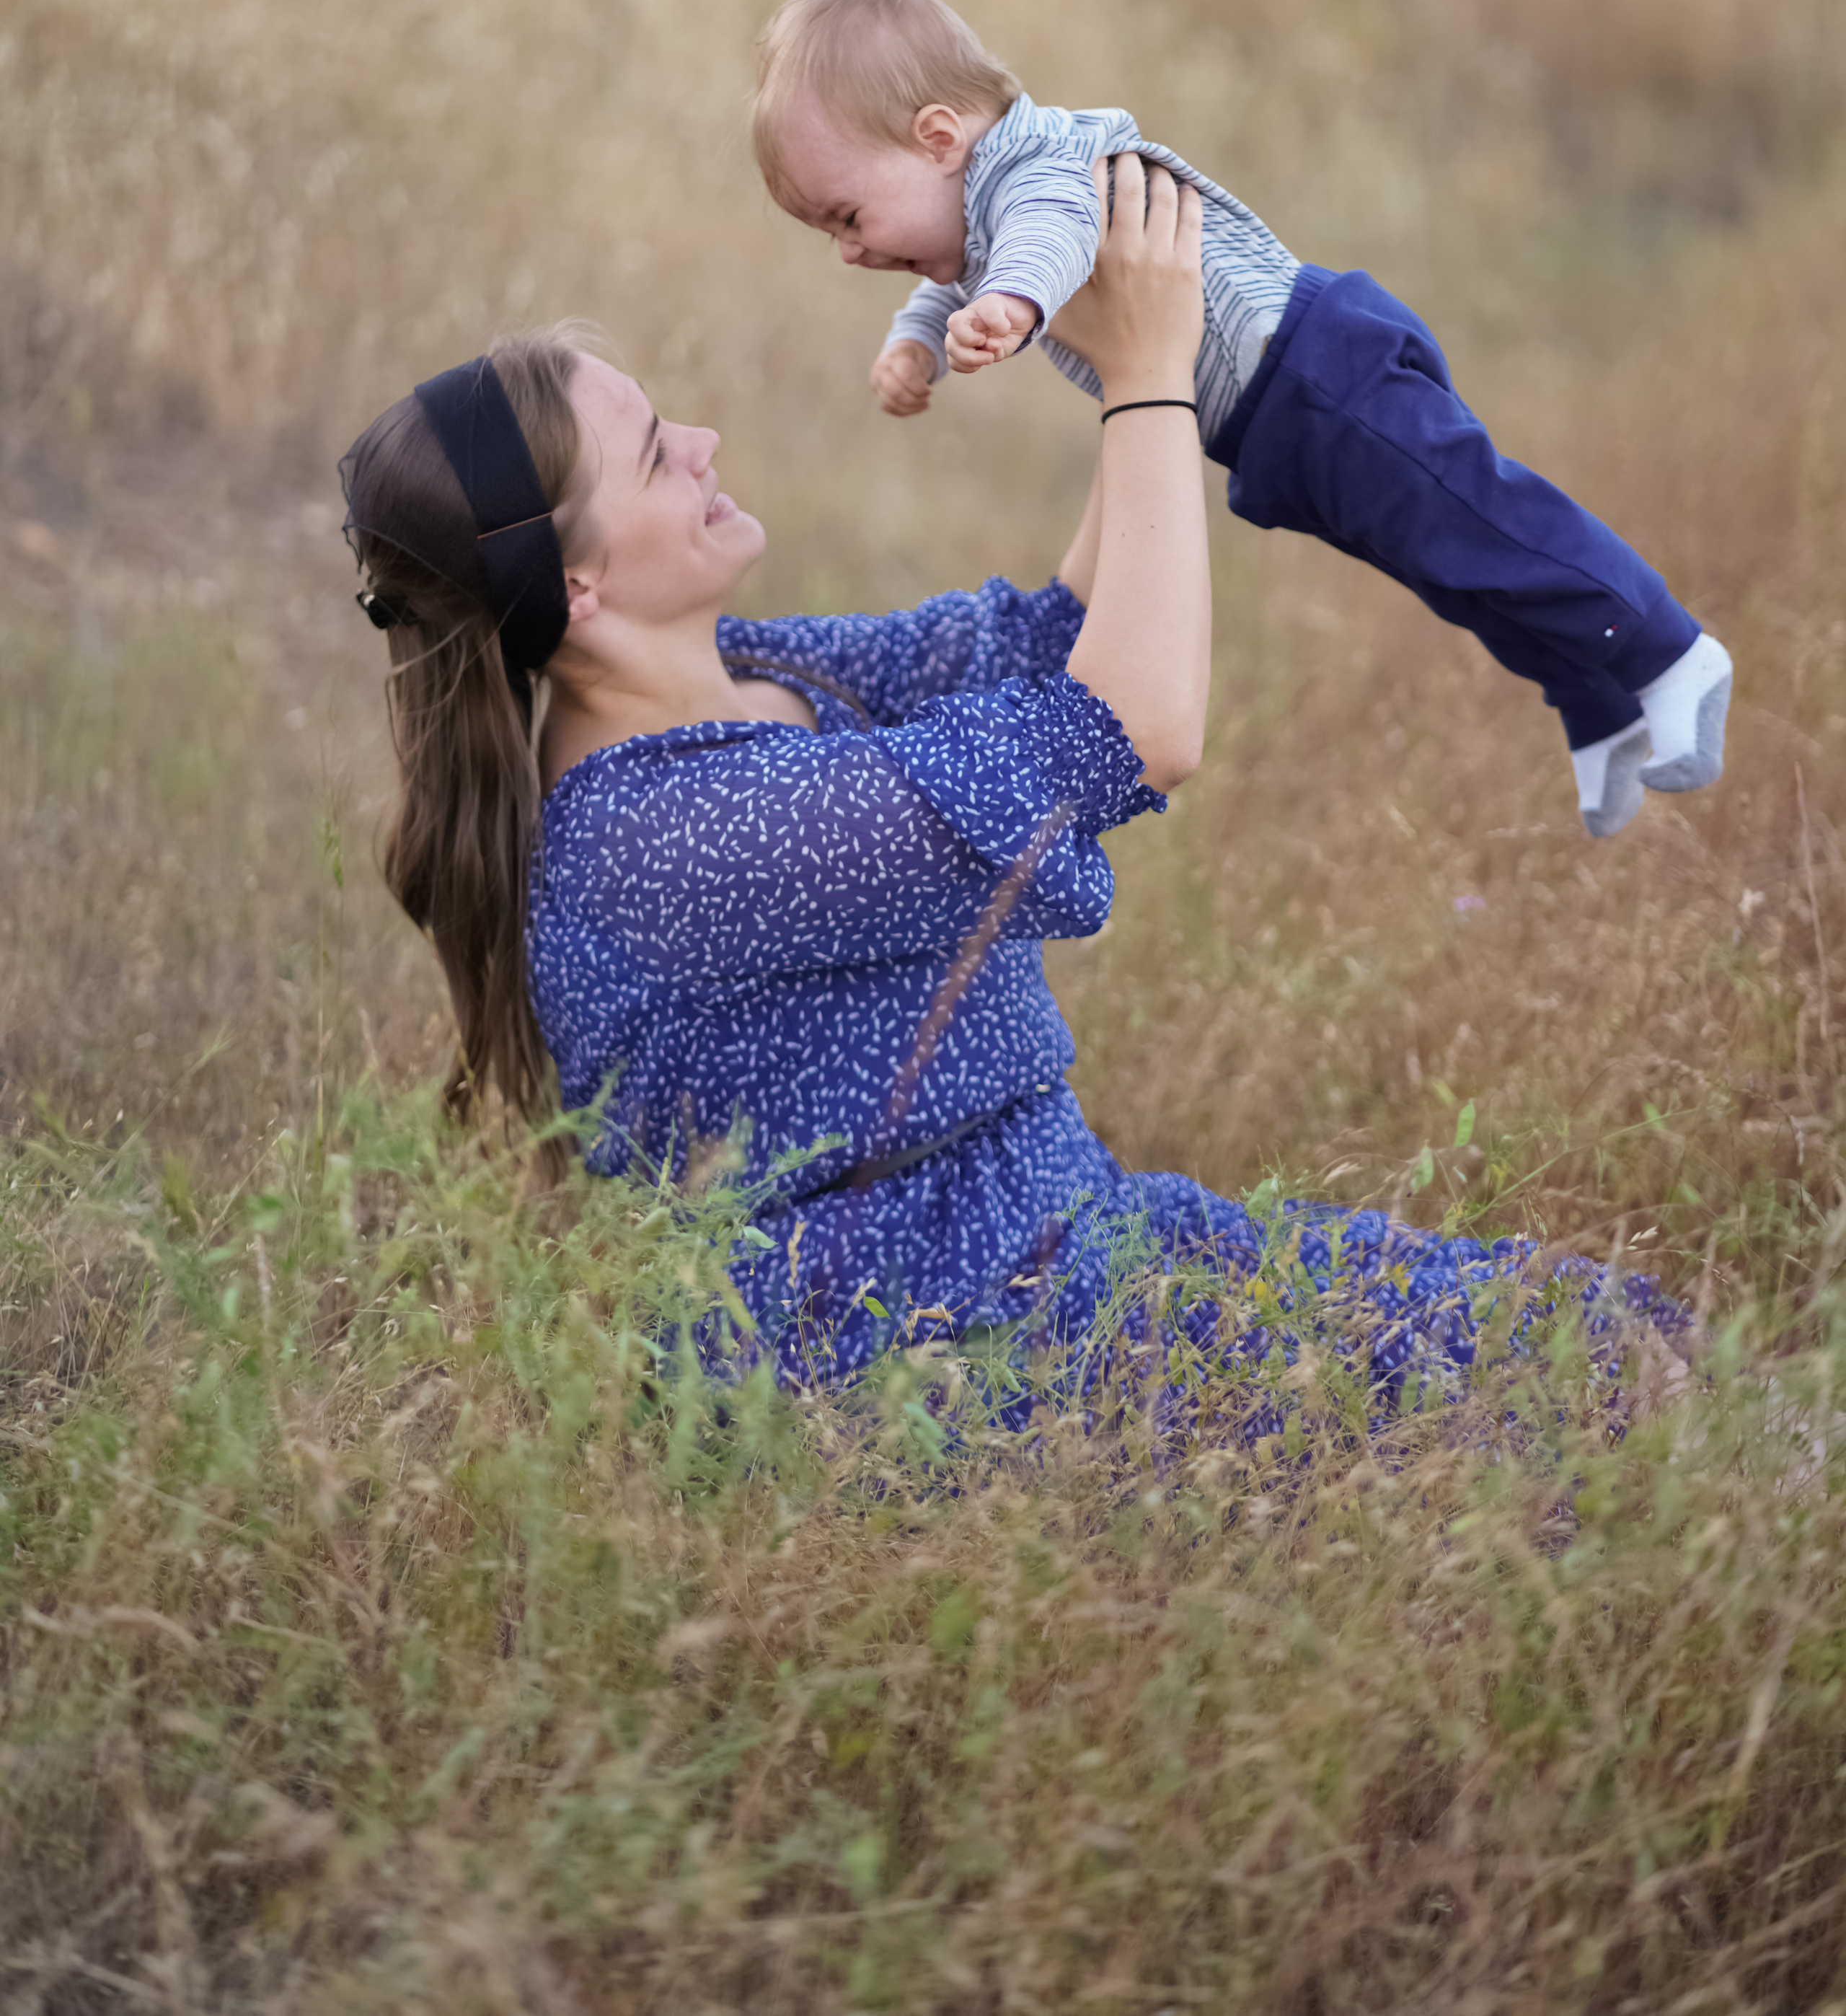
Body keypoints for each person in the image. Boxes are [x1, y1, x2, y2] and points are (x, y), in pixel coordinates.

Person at [340, 157, 1687, 1437]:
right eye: (650, 456)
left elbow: (1057, 637)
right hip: (963, 1369)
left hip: (1077, 1246)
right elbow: (1135, 727)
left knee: (1606, 1334)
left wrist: (1126, 338)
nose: (699, 440)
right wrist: (1150, 380)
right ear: (577, 590)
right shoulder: (664, 838)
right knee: (1584, 1400)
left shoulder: (764, 675)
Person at [749, 0, 1732, 843]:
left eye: (846, 216)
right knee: (1446, 567)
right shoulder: (969, 222)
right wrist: (915, 341)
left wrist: (1014, 305)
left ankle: (1670, 652)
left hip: (1316, 368)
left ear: (937, 139)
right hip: (1274, 422)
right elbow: (952, 274)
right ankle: (1601, 703)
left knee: (1479, 522)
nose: (845, 249)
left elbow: (1044, 238)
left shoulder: (1035, 170)